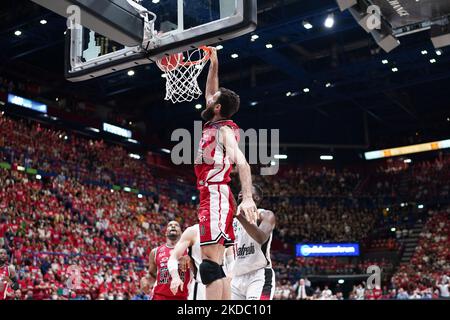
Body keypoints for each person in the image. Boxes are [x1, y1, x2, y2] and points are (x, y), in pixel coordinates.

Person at [195, 47, 257, 300]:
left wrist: (248, 197)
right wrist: (214, 63)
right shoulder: (215, 122)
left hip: (217, 194)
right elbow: (211, 90)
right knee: (215, 266)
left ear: (217, 107)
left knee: (209, 266)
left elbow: (243, 163)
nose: (207, 99)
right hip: (213, 194)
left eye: (212, 100)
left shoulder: (224, 131)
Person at [228, 185, 276, 300]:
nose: (240, 193)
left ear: (256, 198)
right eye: (240, 191)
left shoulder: (265, 215)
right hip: (236, 277)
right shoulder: (232, 221)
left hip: (259, 276)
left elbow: (261, 237)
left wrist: (239, 215)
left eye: (245, 191)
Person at [148, 221, 191, 300]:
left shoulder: (189, 251)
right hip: (159, 296)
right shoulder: (155, 251)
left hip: (182, 297)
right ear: (166, 232)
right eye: (170, 225)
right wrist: (145, 279)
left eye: (176, 225)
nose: (173, 226)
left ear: (181, 233)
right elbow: (151, 273)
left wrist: (189, 259)